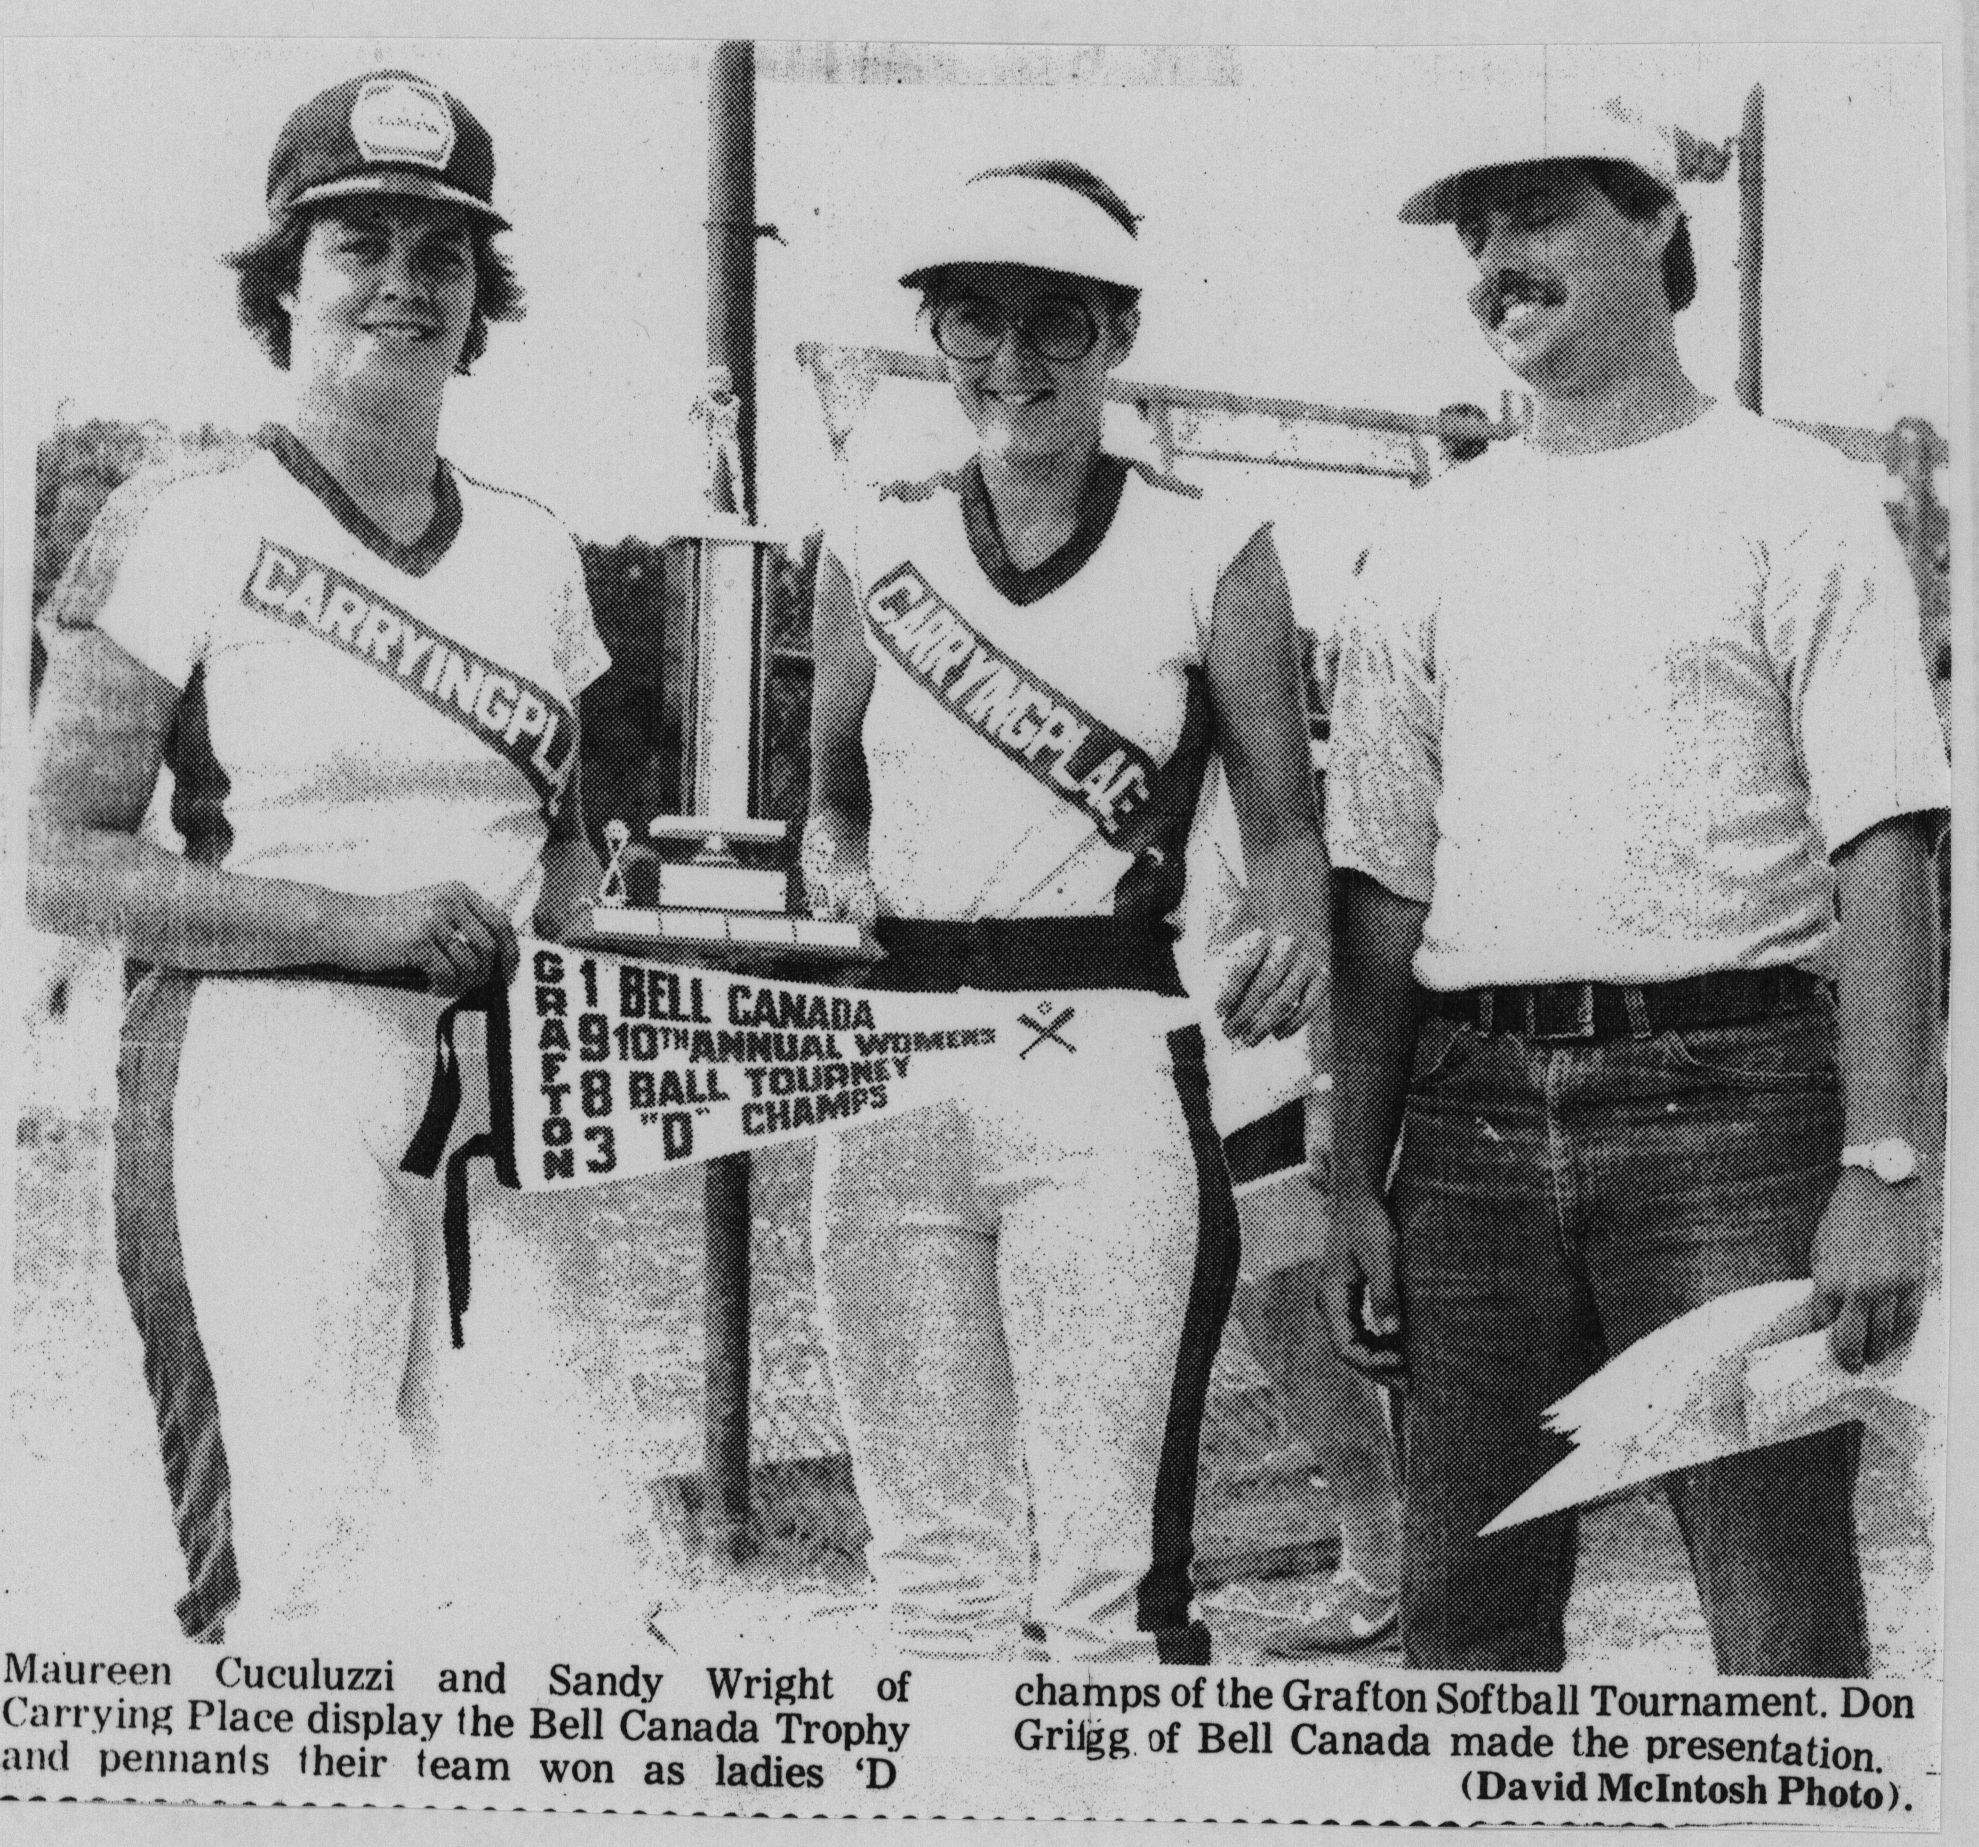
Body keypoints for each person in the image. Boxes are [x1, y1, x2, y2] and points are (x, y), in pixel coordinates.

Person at [1322, 96, 1948, 1674]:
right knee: (1464, 1634)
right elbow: (1383, 888)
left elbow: (1886, 838)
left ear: (1657, 220)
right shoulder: (1429, 538)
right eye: (1475, 232)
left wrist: (1885, 1161)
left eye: (1534, 213)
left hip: (1732, 1111)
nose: (1496, 260)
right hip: (1464, 1128)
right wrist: (1353, 1176)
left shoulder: (1797, 501)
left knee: (1776, 1620)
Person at [28, 71, 617, 1640]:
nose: (405, 284)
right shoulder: (184, 518)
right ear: (282, 277)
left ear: (481, 299)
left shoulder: (537, 552)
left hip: (495, 1089)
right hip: (260, 1068)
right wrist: (360, 925)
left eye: (444, 253)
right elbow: (62, 866)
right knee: (310, 1571)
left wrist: (624, 941)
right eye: (361, 242)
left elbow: (565, 852)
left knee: (532, 1561)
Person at [802, 160, 1329, 1662]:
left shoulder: (1211, 544)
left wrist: (1283, 931)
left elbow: (1286, 830)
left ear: (1118, 337)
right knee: (933, 1582)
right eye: (977, 323)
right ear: (938, 335)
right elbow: (831, 795)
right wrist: (832, 876)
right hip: (889, 1054)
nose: (1014, 364)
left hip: (1101, 1055)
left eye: (1058, 326)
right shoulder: (869, 532)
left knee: (1103, 1591)